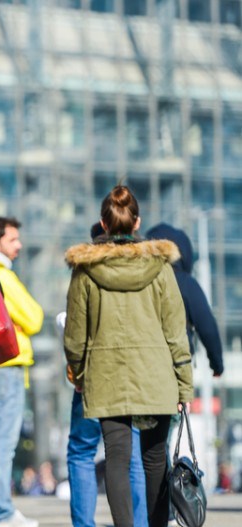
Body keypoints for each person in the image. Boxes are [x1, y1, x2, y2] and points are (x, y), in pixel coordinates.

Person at [64, 185, 193, 527]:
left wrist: (78, 375)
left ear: (103, 225)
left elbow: (75, 335)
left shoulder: (85, 270)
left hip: (106, 375)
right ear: (137, 223)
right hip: (156, 374)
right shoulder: (161, 267)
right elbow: (175, 330)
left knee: (117, 458)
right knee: (154, 460)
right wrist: (184, 385)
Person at [63, 223, 149, 527]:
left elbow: (74, 332)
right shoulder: (147, 268)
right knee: (133, 454)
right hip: (132, 377)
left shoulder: (85, 270)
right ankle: (138, 523)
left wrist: (77, 369)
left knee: (82, 450)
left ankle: (84, 524)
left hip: (92, 375)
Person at [0, 216, 43, 527]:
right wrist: (19, 323)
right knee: (3, 443)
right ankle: (2, 511)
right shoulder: (1, 273)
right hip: (9, 364)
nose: (19, 245)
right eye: (13, 239)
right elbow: (34, 318)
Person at [145, 223, 224, 378]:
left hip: (140, 364)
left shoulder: (140, 279)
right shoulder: (186, 283)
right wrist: (217, 364)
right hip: (175, 367)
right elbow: (207, 326)